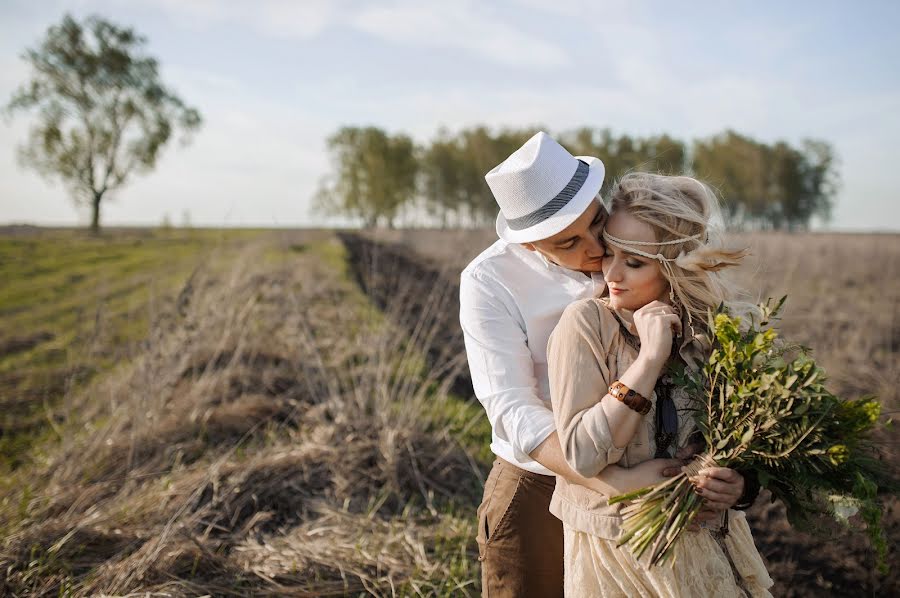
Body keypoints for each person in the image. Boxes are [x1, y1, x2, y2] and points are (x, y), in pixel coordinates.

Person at [460, 132, 751, 597]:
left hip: (652, 482)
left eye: (596, 222)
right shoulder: (489, 281)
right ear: (532, 246)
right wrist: (610, 480)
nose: (597, 252)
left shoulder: (630, 250)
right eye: (568, 242)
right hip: (537, 482)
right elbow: (513, 408)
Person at [547, 172, 774, 597]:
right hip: (617, 556)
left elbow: (743, 441)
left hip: (706, 546)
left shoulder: (715, 335)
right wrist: (647, 362)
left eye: (634, 262)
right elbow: (580, 453)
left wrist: (740, 485)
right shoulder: (585, 325)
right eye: (610, 253)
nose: (612, 273)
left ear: (676, 266)